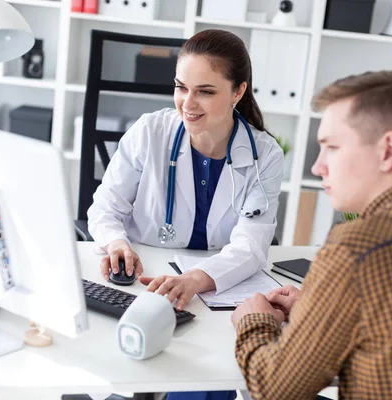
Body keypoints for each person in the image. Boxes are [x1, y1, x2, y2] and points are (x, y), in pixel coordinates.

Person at [231, 70, 392, 399]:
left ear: (388, 151)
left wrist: (254, 321)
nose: (318, 166)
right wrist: (314, 310)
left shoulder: (356, 248)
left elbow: (274, 389)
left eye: (332, 147)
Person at [87, 29, 284, 312]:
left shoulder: (264, 155)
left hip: (212, 289)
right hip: (143, 280)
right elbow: (105, 209)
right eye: (181, 87)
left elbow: (251, 246)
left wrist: (192, 280)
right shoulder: (149, 132)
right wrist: (116, 244)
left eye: (205, 91)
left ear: (238, 91)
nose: (188, 104)